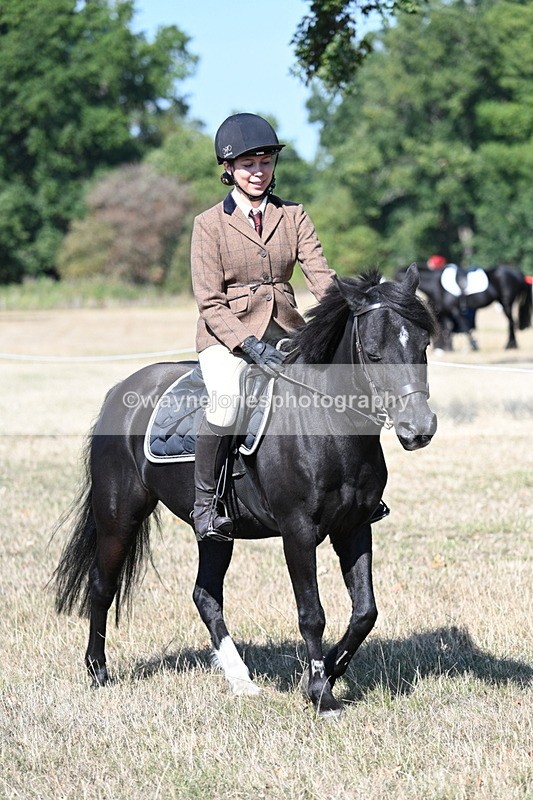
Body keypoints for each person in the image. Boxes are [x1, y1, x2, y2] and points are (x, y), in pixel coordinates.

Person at [190, 112, 336, 542]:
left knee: (338, 384)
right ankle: (206, 504)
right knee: (226, 400)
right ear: (229, 169)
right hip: (226, 335)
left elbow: (320, 276)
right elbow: (209, 301)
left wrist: (344, 314)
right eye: (248, 164)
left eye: (265, 162)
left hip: (287, 330)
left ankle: (355, 492)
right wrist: (248, 346)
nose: (258, 171)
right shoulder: (209, 224)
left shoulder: (293, 215)